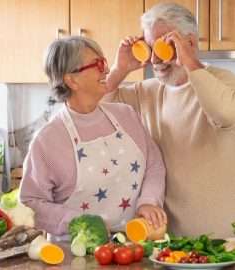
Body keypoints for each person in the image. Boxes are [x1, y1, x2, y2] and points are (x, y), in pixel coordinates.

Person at [106, 3, 235, 238]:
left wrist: (189, 62)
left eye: (165, 47)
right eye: (149, 47)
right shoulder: (147, 92)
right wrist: (119, 69)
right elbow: (95, 107)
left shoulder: (223, 81)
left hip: (225, 240)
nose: (155, 59)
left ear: (190, 43)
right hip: (168, 242)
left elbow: (225, 114)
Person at [19, 36, 166, 237]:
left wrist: (149, 201)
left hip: (135, 247)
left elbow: (154, 164)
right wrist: (78, 222)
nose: (106, 70)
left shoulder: (126, 115)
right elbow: (31, 203)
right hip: (76, 253)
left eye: (104, 62)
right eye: (98, 64)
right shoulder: (47, 141)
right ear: (72, 80)